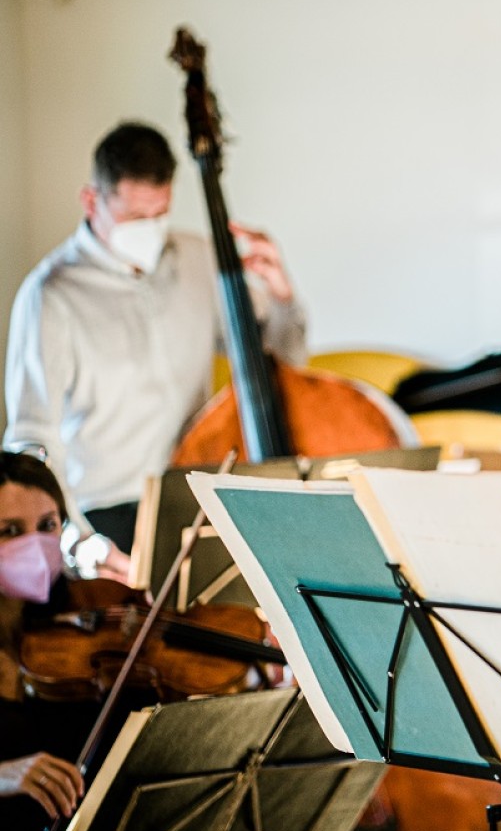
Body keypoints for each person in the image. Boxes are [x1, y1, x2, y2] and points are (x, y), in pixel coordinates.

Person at [4, 123, 307, 571]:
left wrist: (282, 300)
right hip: (104, 512)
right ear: (91, 201)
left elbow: (281, 365)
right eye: (134, 218)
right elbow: (33, 441)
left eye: (159, 214)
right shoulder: (50, 294)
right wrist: (79, 543)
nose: (150, 230)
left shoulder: (199, 257)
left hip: (197, 497)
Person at [0, 452, 90, 831]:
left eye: (48, 526)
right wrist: (5, 775)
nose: (35, 545)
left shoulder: (83, 613)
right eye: (10, 530)